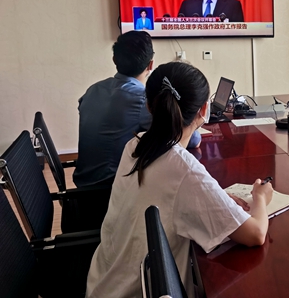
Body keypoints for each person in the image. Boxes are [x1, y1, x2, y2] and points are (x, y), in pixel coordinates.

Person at [86, 61, 273, 297]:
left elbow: (167, 193)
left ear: (149, 105)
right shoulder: (184, 170)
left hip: (103, 284)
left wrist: (215, 198)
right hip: (138, 291)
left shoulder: (135, 144)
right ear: (204, 110)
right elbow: (255, 234)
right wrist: (260, 198)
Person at [74, 31, 201, 188]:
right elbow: (190, 140)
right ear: (151, 65)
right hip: (111, 187)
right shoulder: (142, 98)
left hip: (84, 182)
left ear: (114, 59)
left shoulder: (93, 89)